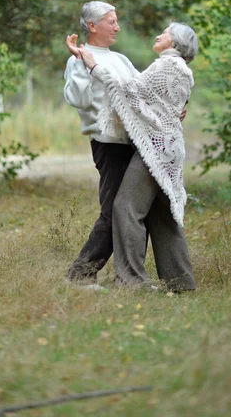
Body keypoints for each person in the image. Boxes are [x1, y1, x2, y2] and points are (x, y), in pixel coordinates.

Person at [74, 23, 197, 291]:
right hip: (167, 148)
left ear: (175, 43)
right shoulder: (180, 69)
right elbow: (160, 106)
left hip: (157, 150)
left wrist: (94, 67)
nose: (158, 35)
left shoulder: (167, 67)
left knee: (126, 208)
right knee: (162, 214)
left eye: (164, 33)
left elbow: (131, 91)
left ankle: (131, 280)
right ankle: (181, 282)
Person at [63, 1, 139, 289]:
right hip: (108, 144)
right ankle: (80, 274)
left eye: (117, 21)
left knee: (130, 211)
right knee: (114, 211)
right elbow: (79, 101)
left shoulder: (120, 59)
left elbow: (139, 91)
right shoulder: (78, 59)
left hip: (133, 142)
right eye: (111, 21)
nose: (117, 27)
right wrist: (82, 62)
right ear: (92, 26)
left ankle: (130, 276)